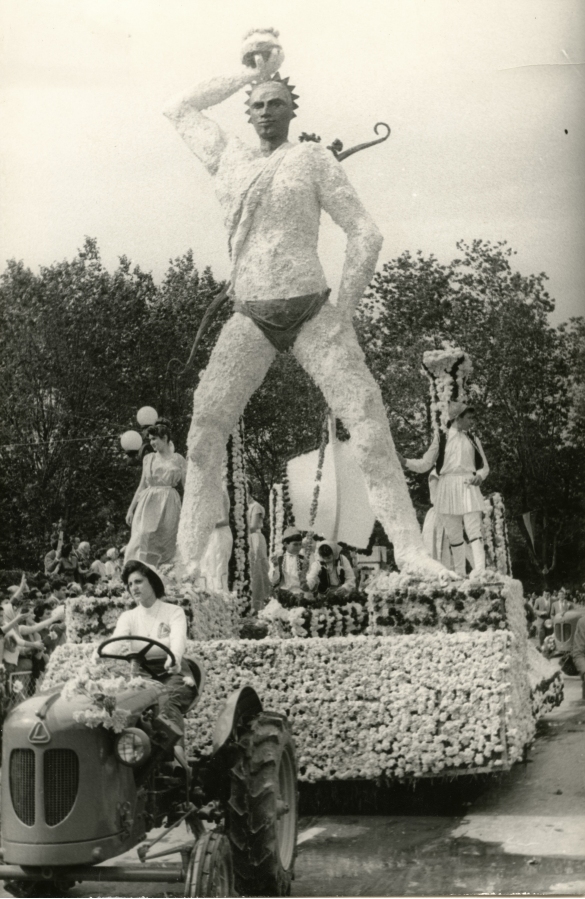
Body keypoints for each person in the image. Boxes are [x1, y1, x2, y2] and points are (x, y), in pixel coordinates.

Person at [164, 28, 449, 580]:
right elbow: (178, 107)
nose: (267, 111)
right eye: (258, 104)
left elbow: (365, 232)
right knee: (203, 433)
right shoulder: (226, 159)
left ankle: (412, 553)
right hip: (250, 315)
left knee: (369, 427)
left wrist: (344, 307)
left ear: (294, 109)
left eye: (277, 103)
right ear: (246, 111)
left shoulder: (313, 159)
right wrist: (249, 71)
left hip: (314, 311)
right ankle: (185, 564)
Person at [107, 560, 198, 742]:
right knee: (121, 704)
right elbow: (115, 642)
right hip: (140, 674)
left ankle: (175, 758)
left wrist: (175, 658)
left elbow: (178, 638)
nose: (134, 587)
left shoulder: (173, 611)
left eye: (139, 581)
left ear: (153, 582)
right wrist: (96, 657)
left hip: (172, 673)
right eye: (130, 584)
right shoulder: (128, 617)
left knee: (165, 700)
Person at [399, 405, 489, 577]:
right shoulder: (441, 438)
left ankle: (480, 571)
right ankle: (460, 573)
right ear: (457, 418)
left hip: (469, 485)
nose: (472, 422)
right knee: (454, 534)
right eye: (469, 418)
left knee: (474, 530)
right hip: (446, 486)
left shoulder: (473, 439)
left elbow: (484, 466)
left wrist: (480, 476)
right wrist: (405, 462)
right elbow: (425, 463)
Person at [125, 420, 187, 566]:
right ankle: (136, 571)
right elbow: (141, 486)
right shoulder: (148, 458)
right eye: (150, 439)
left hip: (170, 502)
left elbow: (186, 487)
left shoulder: (178, 459)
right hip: (148, 502)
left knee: (166, 540)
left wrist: (187, 511)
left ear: (165, 438)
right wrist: (130, 509)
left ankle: (164, 577)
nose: (151, 443)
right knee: (141, 537)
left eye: (154, 439)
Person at [199, 483, 233, 592]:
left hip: (220, 535)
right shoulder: (208, 497)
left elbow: (225, 520)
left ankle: (221, 596)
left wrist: (207, 525)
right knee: (207, 566)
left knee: (218, 567)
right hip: (211, 535)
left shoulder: (221, 494)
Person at [268, 527, 307, 595]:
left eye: (300, 544)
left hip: (300, 594)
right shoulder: (279, 559)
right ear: (286, 544)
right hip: (283, 594)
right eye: (295, 544)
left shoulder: (304, 559)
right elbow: (274, 581)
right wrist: (276, 566)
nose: (298, 547)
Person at [248, 499, 270, 610]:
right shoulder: (242, 505)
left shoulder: (255, 506)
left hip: (255, 538)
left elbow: (253, 526)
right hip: (246, 538)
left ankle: (261, 603)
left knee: (258, 570)